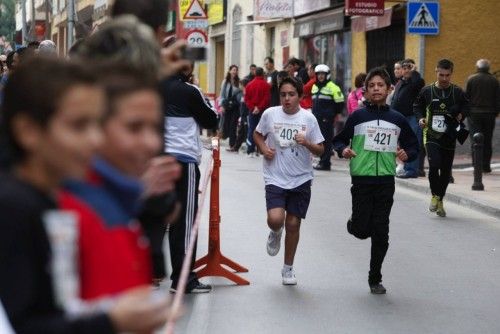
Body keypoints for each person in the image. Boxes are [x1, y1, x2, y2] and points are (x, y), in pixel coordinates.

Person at [0, 57, 169, 334]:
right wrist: (112, 321)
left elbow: (57, 308)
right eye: (79, 126)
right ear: (28, 131)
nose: (94, 139)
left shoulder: (48, 201)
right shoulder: (13, 209)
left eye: (96, 124)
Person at [333, 67, 419, 294]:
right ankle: (355, 223)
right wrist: (343, 151)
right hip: (362, 180)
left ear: (389, 89)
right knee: (362, 230)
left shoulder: (397, 119)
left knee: (381, 231)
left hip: (385, 182)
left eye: (380, 85)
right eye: (372, 86)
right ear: (366, 91)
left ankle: (375, 278)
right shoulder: (358, 116)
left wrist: (406, 154)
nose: (376, 89)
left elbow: (413, 145)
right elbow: (339, 141)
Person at [254, 77, 324, 285]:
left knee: (293, 224)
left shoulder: (309, 119)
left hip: (301, 178)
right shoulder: (270, 114)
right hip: (275, 176)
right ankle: (275, 232)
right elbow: (258, 134)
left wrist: (307, 143)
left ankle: (288, 268)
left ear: (300, 96)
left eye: (291, 94)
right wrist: (264, 148)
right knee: (276, 219)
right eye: (283, 94)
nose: (286, 99)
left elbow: (321, 149)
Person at [161, 63, 219, 293]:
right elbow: (211, 119)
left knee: (156, 220)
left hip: (155, 161)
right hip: (183, 161)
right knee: (183, 223)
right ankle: (183, 278)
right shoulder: (188, 90)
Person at [414, 59, 469, 217]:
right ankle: (434, 196)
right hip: (431, 134)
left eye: (447, 75)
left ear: (451, 74)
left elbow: (467, 106)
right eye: (441, 75)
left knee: (445, 171)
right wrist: (420, 118)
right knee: (434, 165)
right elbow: (417, 106)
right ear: (436, 71)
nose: (444, 78)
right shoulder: (427, 91)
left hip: (449, 135)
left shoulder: (457, 91)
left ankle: (440, 199)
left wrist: (461, 114)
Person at [391, 59, 425, 178]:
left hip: (412, 117)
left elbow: (419, 83)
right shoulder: (401, 82)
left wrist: (414, 72)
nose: (405, 71)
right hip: (401, 118)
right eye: (403, 68)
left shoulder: (416, 81)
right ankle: (406, 168)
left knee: (412, 144)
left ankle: (412, 170)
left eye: (408, 68)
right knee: (403, 145)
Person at [465, 59, 500, 173]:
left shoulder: (472, 79)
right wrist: (496, 112)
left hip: (474, 114)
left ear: (477, 67)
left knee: (475, 139)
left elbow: (466, 97)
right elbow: (497, 98)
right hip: (489, 114)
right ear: (488, 68)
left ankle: (477, 165)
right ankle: (486, 166)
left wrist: (467, 111)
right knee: (487, 139)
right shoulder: (494, 81)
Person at [311, 64, 345, 171]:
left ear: (327, 75)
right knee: (319, 140)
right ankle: (322, 161)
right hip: (316, 118)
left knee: (326, 140)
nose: (321, 76)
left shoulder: (333, 87)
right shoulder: (314, 86)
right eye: (319, 74)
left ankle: (325, 163)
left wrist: (331, 114)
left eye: (323, 74)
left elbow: (340, 103)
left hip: (326, 119)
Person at [245, 67, 271, 157]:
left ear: (255, 74)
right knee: (262, 130)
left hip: (252, 111)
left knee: (252, 129)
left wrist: (253, 108)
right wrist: (259, 108)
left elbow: (247, 99)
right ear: (263, 74)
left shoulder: (249, 85)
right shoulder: (266, 85)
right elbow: (266, 99)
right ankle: (260, 150)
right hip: (263, 111)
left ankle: (250, 150)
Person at [219, 65, 241, 151]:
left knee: (233, 125)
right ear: (229, 71)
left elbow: (240, 94)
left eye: (236, 70)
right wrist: (222, 106)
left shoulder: (238, 81)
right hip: (227, 106)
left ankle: (232, 145)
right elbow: (222, 94)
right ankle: (229, 142)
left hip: (235, 106)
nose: (235, 72)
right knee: (226, 124)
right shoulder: (225, 81)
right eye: (233, 70)